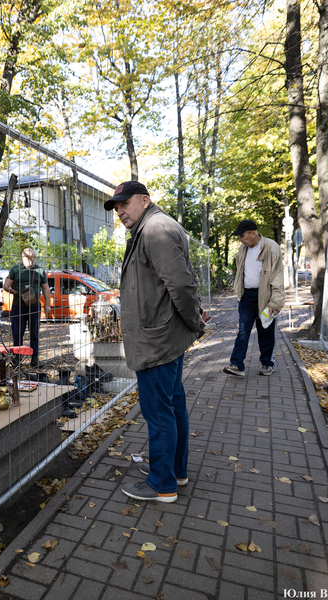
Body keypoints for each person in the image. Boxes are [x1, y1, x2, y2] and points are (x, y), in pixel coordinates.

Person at [106, 181, 207, 504]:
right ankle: (176, 472)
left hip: (156, 341)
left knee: (159, 411)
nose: (120, 211)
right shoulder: (151, 228)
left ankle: (162, 484)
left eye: (125, 204)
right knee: (172, 404)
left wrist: (194, 322)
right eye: (116, 207)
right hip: (163, 337)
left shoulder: (154, 229)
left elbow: (181, 284)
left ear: (145, 200)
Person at [224, 219, 285, 377]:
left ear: (253, 233)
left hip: (266, 297)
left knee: (266, 331)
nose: (240, 239)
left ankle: (267, 363)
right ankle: (237, 365)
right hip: (247, 297)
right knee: (243, 330)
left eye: (243, 236)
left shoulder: (271, 247)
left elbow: (278, 276)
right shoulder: (242, 249)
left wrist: (275, 302)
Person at [4, 248, 51, 368]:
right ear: (22, 258)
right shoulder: (15, 269)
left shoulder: (40, 270)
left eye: (33, 257)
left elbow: (45, 288)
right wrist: (9, 289)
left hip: (34, 307)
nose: (30, 260)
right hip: (18, 307)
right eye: (28, 257)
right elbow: (6, 284)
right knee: (17, 333)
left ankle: (34, 358)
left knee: (34, 333)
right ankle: (17, 358)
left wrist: (48, 305)